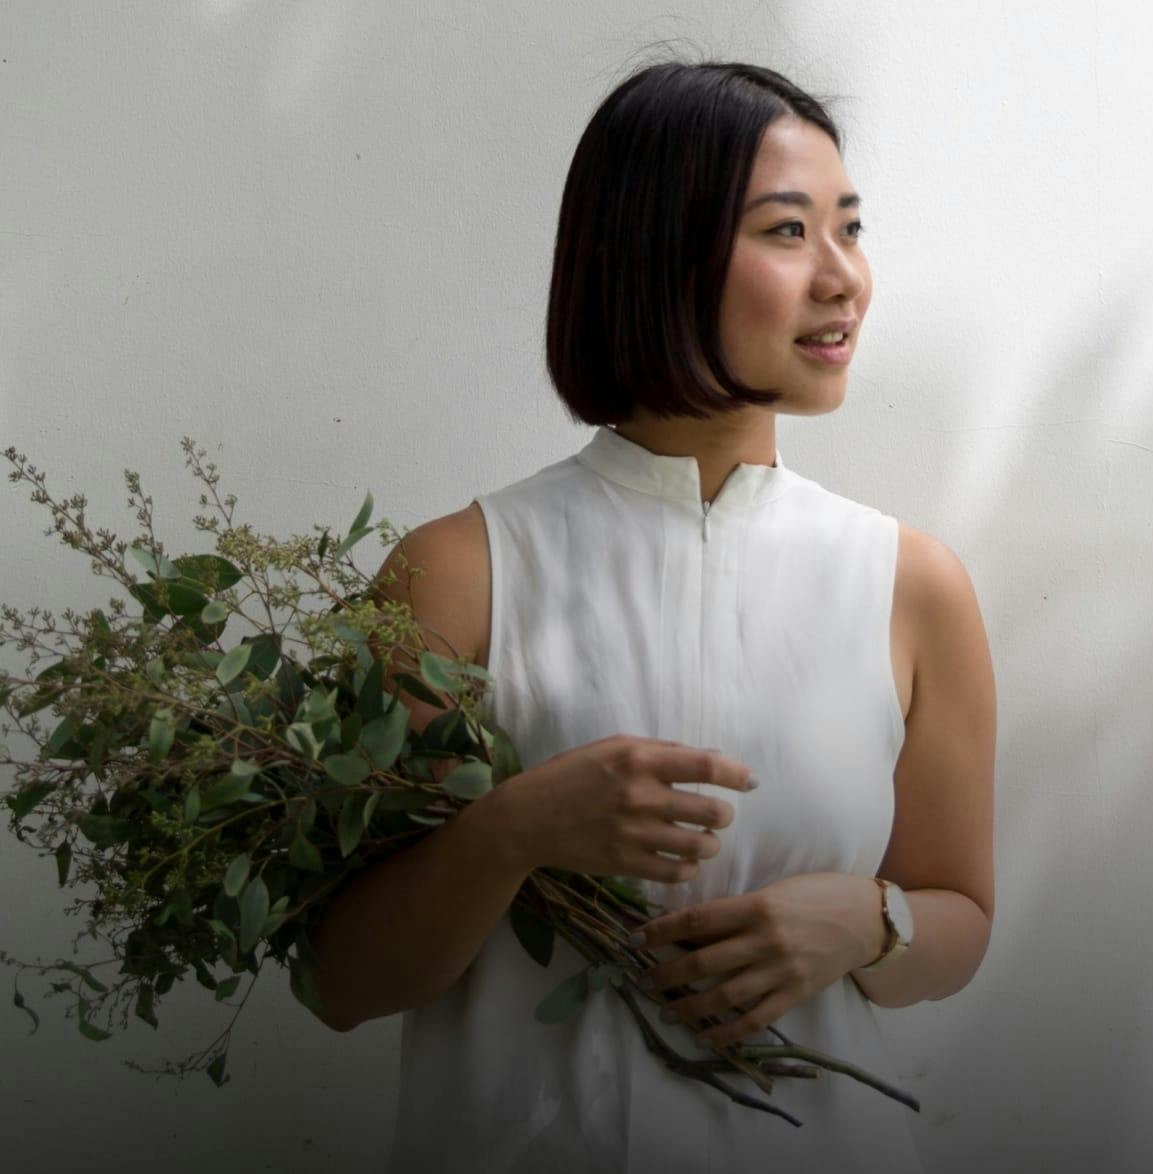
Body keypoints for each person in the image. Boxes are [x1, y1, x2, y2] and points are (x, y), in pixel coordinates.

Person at [311, 55, 996, 1173]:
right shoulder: (455, 574)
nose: (844, 279)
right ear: (656, 256)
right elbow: (339, 979)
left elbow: (958, 916)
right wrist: (512, 831)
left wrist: (871, 922)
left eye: (850, 228)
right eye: (786, 232)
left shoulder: (911, 587)